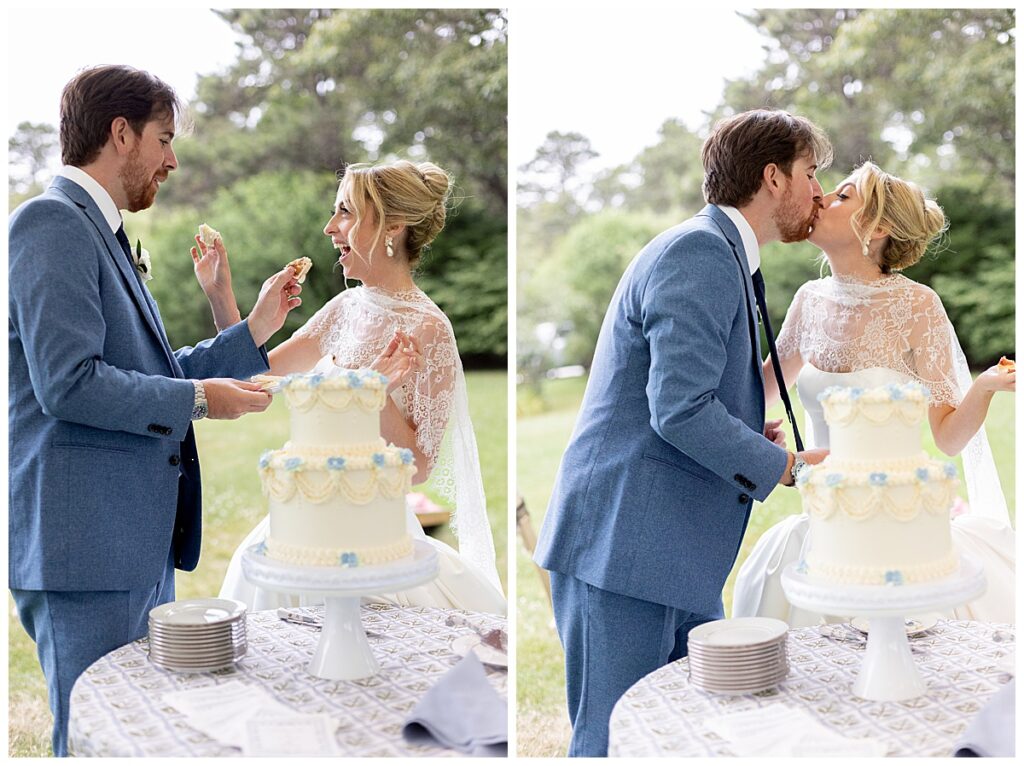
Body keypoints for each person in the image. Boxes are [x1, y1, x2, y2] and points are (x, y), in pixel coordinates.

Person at [8, 65, 302, 756]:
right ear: (120, 133)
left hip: (131, 545)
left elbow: (152, 373)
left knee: (138, 737)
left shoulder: (101, 233)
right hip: (84, 551)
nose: (172, 159)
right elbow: (70, 383)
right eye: (164, 139)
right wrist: (202, 400)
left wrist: (254, 328)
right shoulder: (50, 223)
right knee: (95, 740)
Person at [532, 109, 833, 757]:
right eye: (811, 174)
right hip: (625, 549)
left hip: (671, 553)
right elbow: (679, 410)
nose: (818, 192)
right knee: (613, 741)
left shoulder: (720, 253)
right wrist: (792, 467)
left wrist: (749, 424)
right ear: (773, 177)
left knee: (682, 740)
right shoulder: (698, 254)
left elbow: (686, 396)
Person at [201, 159, 507, 614]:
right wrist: (220, 295)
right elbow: (255, 376)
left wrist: (372, 392)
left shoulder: (430, 330)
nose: (329, 227)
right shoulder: (346, 306)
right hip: (301, 533)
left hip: (373, 539)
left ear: (394, 226)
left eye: (345, 211)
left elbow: (419, 467)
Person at [732, 161, 1015, 626]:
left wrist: (983, 388)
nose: (821, 197)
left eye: (843, 196)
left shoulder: (918, 306)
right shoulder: (808, 299)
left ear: (878, 226)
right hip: (823, 525)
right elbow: (762, 389)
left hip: (896, 532)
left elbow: (946, 438)